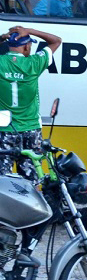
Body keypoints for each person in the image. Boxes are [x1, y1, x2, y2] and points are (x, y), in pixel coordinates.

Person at [0, 26, 62, 179]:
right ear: (27, 46)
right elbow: (56, 41)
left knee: (3, 181)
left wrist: (1, 39)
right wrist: (30, 31)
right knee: (31, 180)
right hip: (31, 129)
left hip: (4, 130)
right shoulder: (34, 63)